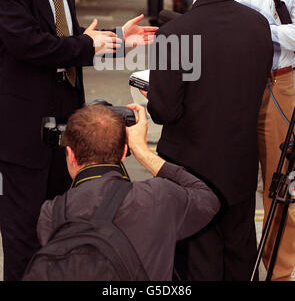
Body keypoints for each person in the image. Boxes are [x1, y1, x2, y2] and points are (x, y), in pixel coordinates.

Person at [0, 0, 157, 281]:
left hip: (65, 127)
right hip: (23, 134)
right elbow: (31, 45)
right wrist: (87, 44)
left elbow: (67, 42)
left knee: (61, 231)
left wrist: (117, 37)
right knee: (23, 236)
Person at [144, 0, 274, 281]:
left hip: (191, 171)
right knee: (239, 256)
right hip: (241, 167)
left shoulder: (174, 33)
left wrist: (152, 94)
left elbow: (165, 111)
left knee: (195, 265)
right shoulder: (258, 25)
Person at [36, 102, 221, 281]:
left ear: (70, 154)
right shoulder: (158, 197)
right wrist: (143, 151)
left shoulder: (52, 214)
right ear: (125, 151)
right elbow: (208, 200)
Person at [225, 0, 295, 281]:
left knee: (278, 185)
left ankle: (280, 274)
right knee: (229, 180)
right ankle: (237, 271)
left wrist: (258, 31)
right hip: (231, 87)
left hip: (278, 85)